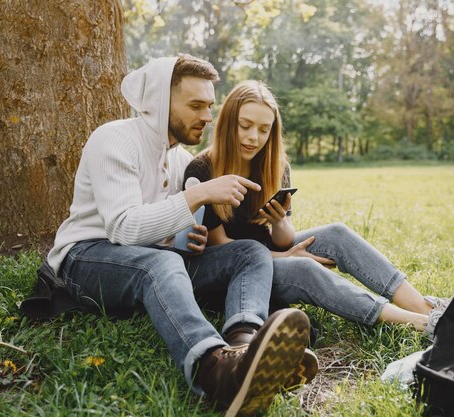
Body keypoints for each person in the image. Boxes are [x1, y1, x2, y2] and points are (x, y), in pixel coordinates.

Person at [43, 56, 313, 416]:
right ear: (159, 103)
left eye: (209, 106)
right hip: (87, 257)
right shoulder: (114, 139)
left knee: (248, 252)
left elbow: (168, 230)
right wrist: (197, 195)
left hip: (155, 258)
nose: (207, 116)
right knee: (161, 262)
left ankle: (245, 350)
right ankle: (215, 371)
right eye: (195, 105)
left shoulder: (181, 159)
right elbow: (123, 228)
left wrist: (191, 238)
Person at [183, 80, 449, 339]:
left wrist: (278, 224)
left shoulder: (275, 167)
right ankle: (418, 323)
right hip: (238, 273)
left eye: (264, 130)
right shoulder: (202, 170)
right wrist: (287, 257)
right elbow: (223, 248)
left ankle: (425, 307)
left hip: (271, 251)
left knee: (336, 234)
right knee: (304, 269)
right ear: (229, 122)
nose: (254, 137)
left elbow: (283, 238)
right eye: (245, 126)